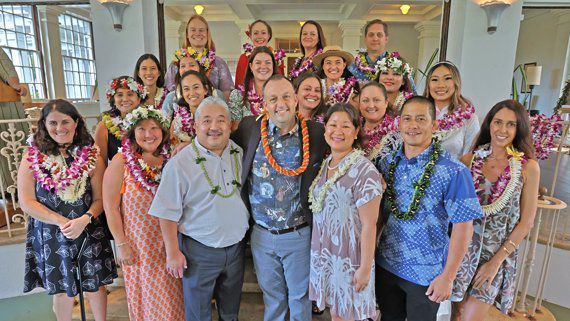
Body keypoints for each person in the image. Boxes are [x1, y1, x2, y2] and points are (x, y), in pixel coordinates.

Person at [374, 96, 483, 321]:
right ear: (399, 124)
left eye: (421, 119)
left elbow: (464, 229)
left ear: (434, 125)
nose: (413, 125)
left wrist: (448, 276)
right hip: (386, 266)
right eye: (407, 119)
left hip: (426, 276)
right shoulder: (387, 163)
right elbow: (377, 215)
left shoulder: (454, 171)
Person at [232, 74, 327, 321]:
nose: (280, 103)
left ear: (296, 99)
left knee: (299, 297)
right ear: (264, 104)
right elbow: (218, 144)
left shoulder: (316, 132)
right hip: (262, 235)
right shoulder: (249, 128)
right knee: (272, 299)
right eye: (273, 98)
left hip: (298, 233)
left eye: (286, 96)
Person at [149, 96, 249, 321]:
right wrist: (173, 252)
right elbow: (166, 213)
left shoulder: (239, 152)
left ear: (230, 125)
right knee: (198, 313)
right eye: (206, 121)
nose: (214, 127)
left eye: (221, 120)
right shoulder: (179, 163)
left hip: (235, 247)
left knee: (230, 310)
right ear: (195, 126)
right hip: (198, 250)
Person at [18, 99, 117, 321]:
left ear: (75, 123)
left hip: (88, 228)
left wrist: (85, 218)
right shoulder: (32, 156)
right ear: (44, 124)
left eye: (65, 121)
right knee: (62, 289)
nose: (59, 128)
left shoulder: (91, 154)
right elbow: (26, 201)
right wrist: (60, 221)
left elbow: (101, 198)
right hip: (52, 233)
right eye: (52, 122)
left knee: (95, 285)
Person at [451, 100, 539, 320]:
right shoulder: (468, 160)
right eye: (498, 122)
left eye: (511, 124)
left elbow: (527, 222)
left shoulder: (528, 167)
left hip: (496, 257)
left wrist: (495, 262)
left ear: (519, 129)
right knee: (454, 315)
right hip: (462, 254)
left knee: (470, 317)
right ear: (489, 123)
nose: (502, 130)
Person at [103, 106, 184, 321]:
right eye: (141, 129)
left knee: (176, 297)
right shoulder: (121, 162)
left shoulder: (172, 157)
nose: (149, 134)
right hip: (140, 247)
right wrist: (121, 244)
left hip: (173, 243)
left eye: (154, 127)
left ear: (163, 130)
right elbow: (110, 207)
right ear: (132, 132)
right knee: (149, 303)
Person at [309, 103, 382, 321]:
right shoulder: (327, 164)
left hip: (351, 259)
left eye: (345, 126)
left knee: (350, 315)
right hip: (327, 255)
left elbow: (370, 225)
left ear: (356, 131)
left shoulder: (364, 170)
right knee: (337, 314)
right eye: (332, 125)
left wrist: (364, 269)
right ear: (325, 129)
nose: (337, 131)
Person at [164, 15, 233, 99]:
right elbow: (169, 94)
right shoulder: (176, 63)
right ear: (187, 34)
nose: (197, 33)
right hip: (181, 110)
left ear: (207, 34)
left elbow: (227, 94)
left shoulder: (218, 63)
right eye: (193, 30)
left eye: (201, 30)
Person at [424, 61, 480, 160]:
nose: (440, 85)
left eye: (447, 78)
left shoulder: (469, 118)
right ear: (428, 85)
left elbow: (470, 157)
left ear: (456, 82)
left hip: (454, 174)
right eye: (435, 79)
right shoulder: (418, 114)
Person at [94, 76, 146, 163]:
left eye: (130, 94)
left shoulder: (149, 122)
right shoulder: (103, 127)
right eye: (120, 95)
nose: (125, 99)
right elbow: (101, 165)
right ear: (113, 100)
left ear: (139, 98)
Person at [228, 46, 278, 129]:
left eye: (268, 62)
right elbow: (234, 129)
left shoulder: (282, 94)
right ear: (251, 67)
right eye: (258, 62)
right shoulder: (237, 95)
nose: (263, 66)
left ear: (273, 66)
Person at [0, 47, 29, 189]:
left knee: (12, 149)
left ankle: (16, 186)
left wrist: (15, 85)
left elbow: (6, 66)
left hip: (5, 104)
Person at [235, 20, 285, 87]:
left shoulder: (277, 57)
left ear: (269, 35)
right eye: (256, 33)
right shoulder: (244, 57)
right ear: (250, 36)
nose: (259, 36)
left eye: (263, 33)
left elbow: (281, 83)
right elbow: (239, 84)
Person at [359, 81, 401, 161]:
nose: (371, 105)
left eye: (376, 100)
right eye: (365, 100)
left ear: (386, 103)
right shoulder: (353, 128)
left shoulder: (398, 132)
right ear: (360, 104)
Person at [170, 70, 213, 148]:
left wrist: (190, 145)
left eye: (196, 87)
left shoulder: (215, 114)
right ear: (182, 92)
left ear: (205, 89)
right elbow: (173, 145)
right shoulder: (177, 119)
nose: (192, 93)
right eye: (186, 89)